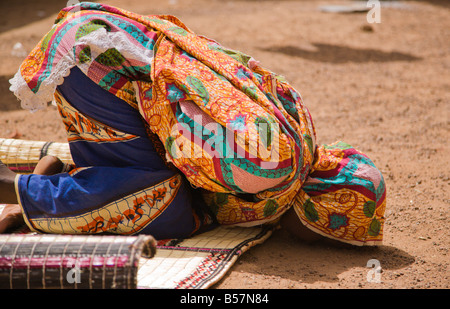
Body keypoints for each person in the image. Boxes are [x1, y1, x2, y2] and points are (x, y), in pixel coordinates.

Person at [1, 2, 386, 245]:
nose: (312, 242)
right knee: (167, 206)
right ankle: (17, 189)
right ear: (320, 209)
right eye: (327, 237)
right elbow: (182, 145)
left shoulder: (299, 133)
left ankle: (64, 172)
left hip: (107, 40)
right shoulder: (270, 167)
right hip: (99, 63)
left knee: (173, 194)